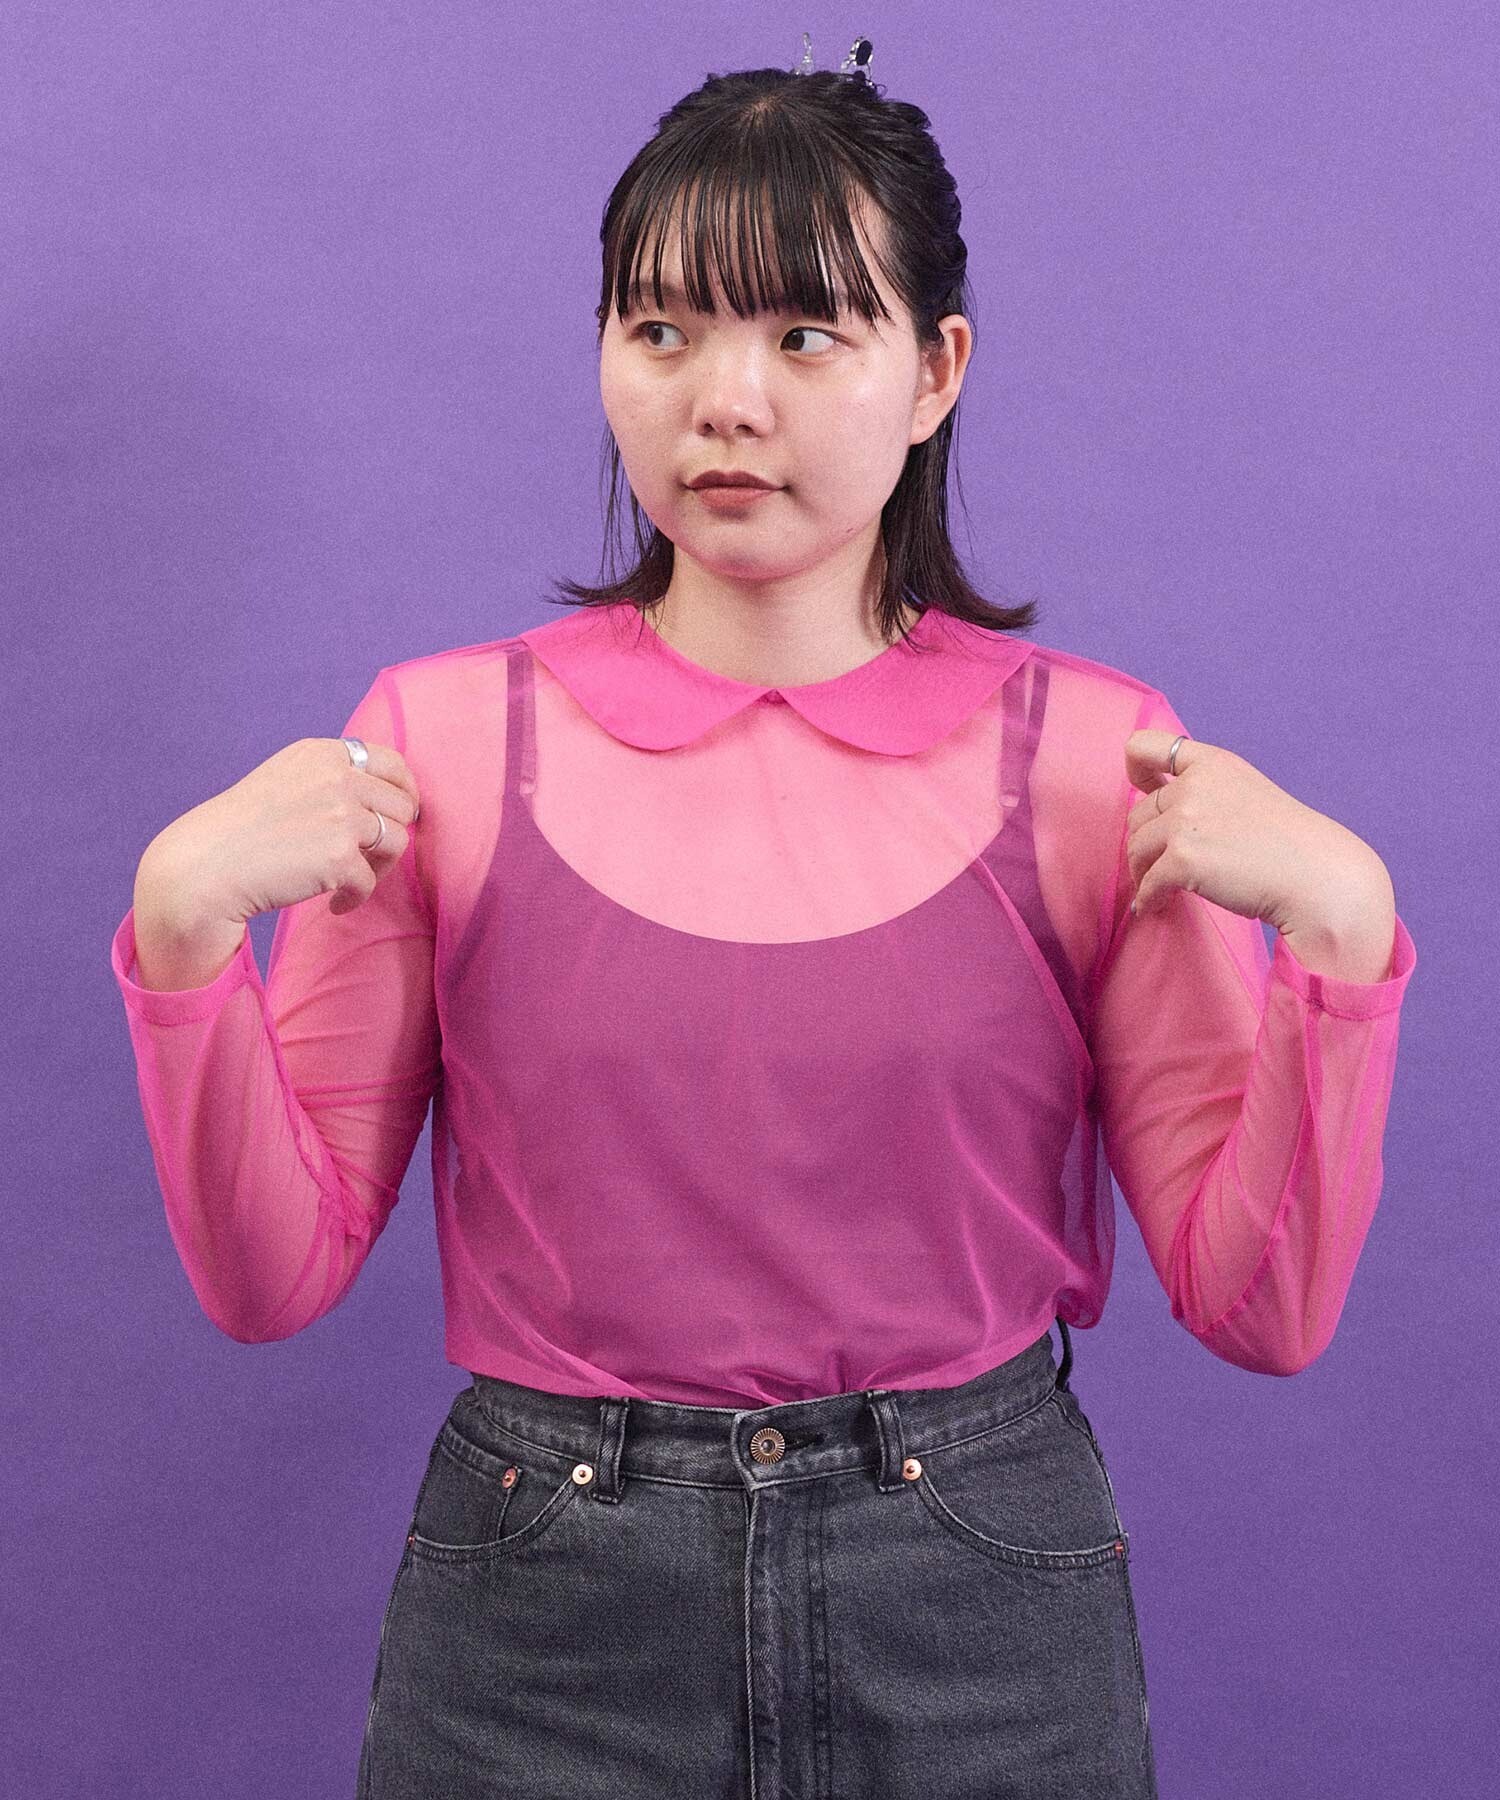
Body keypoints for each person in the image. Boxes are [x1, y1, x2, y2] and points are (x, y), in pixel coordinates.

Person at [111, 45, 1416, 1800]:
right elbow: (272, 1281)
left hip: (977, 1600)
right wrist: (184, 938)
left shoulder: (1099, 764)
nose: (724, 400)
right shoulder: (437, 749)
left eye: (805, 334)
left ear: (935, 370)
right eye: (662, 330)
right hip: (542, 1622)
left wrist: (1344, 940)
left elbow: (1262, 1307)